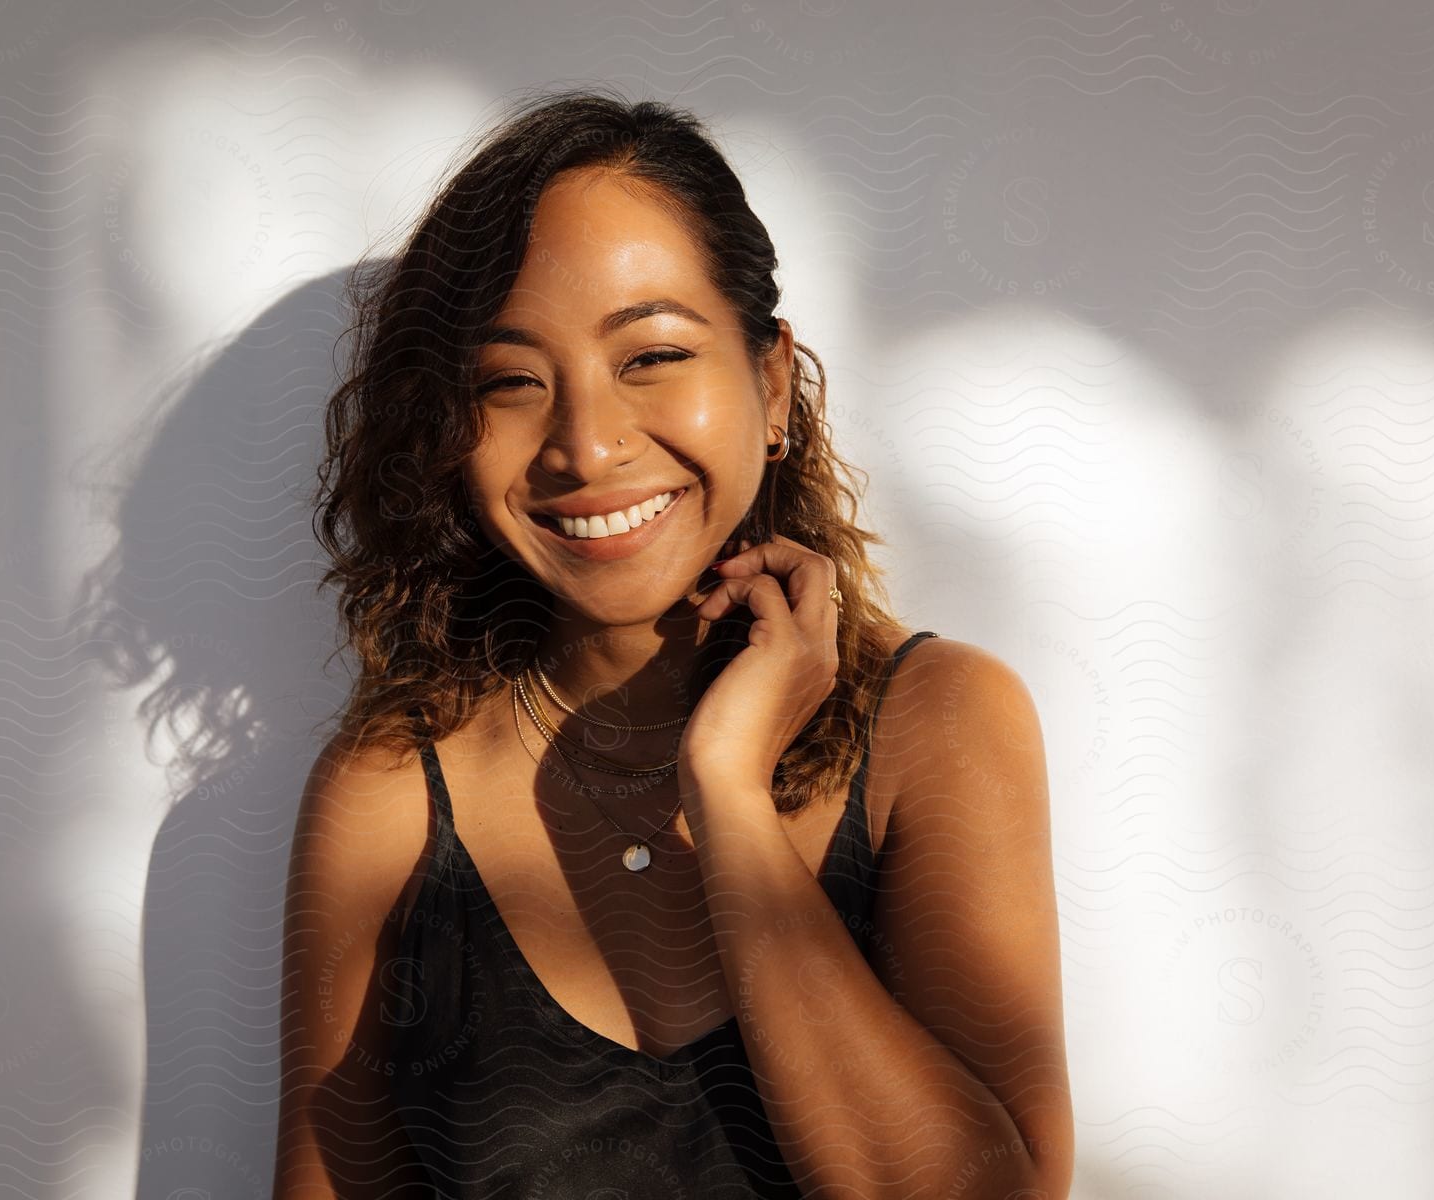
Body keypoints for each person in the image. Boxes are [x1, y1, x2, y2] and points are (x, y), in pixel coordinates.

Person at [272, 86, 1072, 1199]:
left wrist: (731, 796)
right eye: (510, 382)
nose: (585, 446)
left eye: (649, 356)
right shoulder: (393, 790)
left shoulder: (941, 722)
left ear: (772, 379)